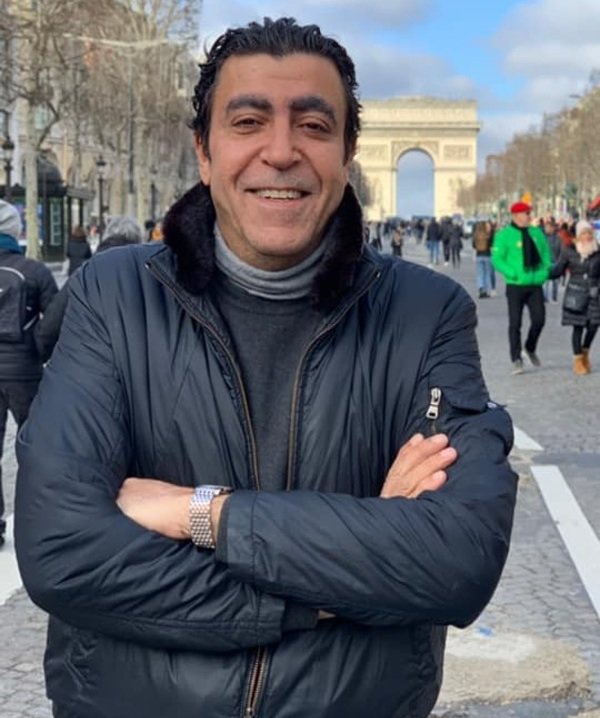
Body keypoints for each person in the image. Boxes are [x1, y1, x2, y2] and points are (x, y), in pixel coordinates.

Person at [15, 17, 517, 718]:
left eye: (313, 126)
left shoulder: (429, 312)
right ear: (204, 150)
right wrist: (338, 583)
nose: (280, 151)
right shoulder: (110, 293)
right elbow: (63, 550)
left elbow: (456, 560)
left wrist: (200, 513)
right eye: (249, 121)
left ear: (348, 154)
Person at [0, 200, 58, 547]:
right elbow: (56, 316)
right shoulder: (34, 271)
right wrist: (38, 348)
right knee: (36, 447)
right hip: (24, 371)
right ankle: (37, 518)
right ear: (15, 231)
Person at [34, 216, 144, 363]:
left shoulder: (86, 273)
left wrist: (39, 355)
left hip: (89, 363)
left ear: (106, 237)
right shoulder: (149, 275)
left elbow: (52, 324)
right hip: (139, 365)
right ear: (139, 241)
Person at [491, 201, 552, 374]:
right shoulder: (504, 235)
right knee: (515, 322)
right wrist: (511, 273)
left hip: (535, 283)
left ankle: (530, 347)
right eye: (526, 213)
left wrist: (544, 272)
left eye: (529, 213)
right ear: (516, 216)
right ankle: (516, 358)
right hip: (515, 285)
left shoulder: (536, 233)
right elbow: (497, 259)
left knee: (539, 320)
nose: (529, 216)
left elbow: (546, 255)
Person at [549, 219, 600, 375]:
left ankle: (585, 351)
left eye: (589, 233)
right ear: (577, 236)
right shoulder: (569, 251)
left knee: (594, 325)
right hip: (576, 293)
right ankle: (578, 360)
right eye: (584, 234)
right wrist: (543, 273)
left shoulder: (597, 251)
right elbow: (559, 269)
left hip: (594, 294)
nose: (587, 236)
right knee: (578, 326)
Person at [472, 220, 494, 298]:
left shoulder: (476, 235)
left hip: (479, 255)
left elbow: (473, 246)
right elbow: (492, 245)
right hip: (487, 255)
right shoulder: (488, 236)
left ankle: (481, 288)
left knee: (480, 274)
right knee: (487, 274)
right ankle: (486, 290)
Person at [542, 218, 561, 302]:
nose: (546, 229)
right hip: (546, 263)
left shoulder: (558, 238)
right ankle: (545, 297)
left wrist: (560, 260)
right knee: (545, 282)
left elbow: (561, 250)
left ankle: (554, 297)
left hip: (555, 262)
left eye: (548, 227)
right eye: (545, 227)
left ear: (553, 228)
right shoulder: (543, 238)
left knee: (555, 281)